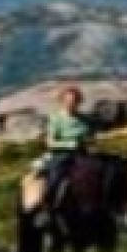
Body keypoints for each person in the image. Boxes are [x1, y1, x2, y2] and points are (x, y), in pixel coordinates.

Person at [41, 87, 93, 217]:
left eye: (75, 101)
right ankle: (47, 209)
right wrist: (69, 144)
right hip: (62, 155)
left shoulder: (84, 119)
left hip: (83, 154)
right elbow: (49, 143)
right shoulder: (56, 119)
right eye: (68, 101)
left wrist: (90, 142)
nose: (71, 103)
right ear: (62, 101)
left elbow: (90, 137)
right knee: (55, 178)